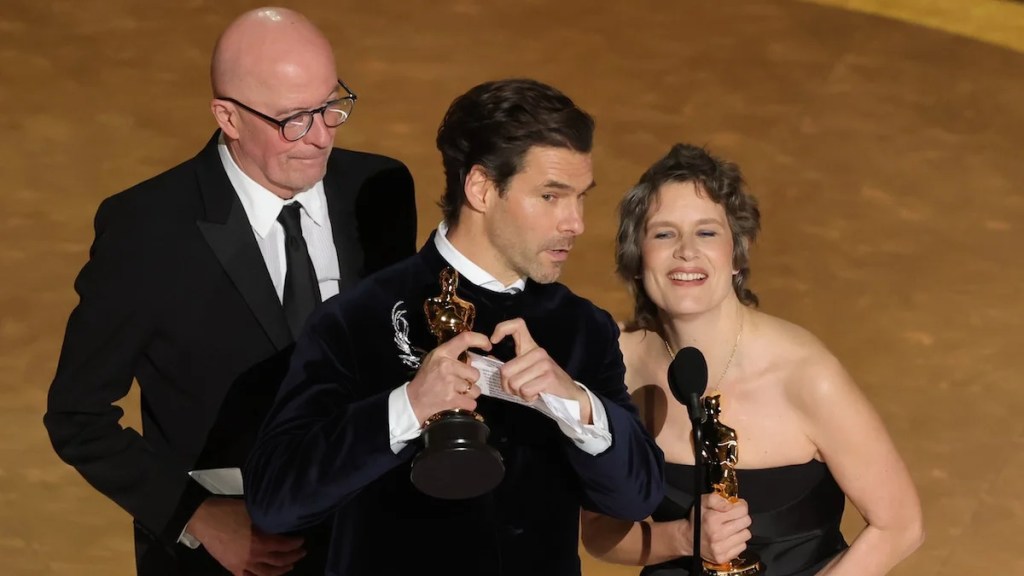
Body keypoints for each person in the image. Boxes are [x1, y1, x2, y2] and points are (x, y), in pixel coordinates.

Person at [43, 7, 416, 575]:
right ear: (229, 117)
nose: (320, 137)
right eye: (293, 119)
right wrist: (196, 517)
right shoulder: (148, 230)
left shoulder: (380, 189)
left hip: (368, 537)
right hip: (226, 557)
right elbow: (78, 416)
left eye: (331, 106)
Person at [243, 78, 665, 576]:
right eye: (551, 196)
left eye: (580, 198)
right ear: (482, 188)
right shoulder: (358, 318)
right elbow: (275, 500)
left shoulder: (582, 328)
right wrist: (407, 407)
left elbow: (637, 497)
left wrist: (576, 403)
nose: (575, 222)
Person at [581, 143, 924, 575]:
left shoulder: (805, 375)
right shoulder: (618, 369)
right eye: (664, 233)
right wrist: (684, 538)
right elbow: (599, 535)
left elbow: (900, 525)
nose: (686, 251)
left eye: (706, 232)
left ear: (737, 255)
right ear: (636, 259)